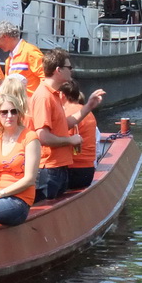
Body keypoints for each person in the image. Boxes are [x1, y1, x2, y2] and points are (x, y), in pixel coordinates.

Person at [30, 49, 104, 201]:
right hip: (49, 168)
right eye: (69, 67)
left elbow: (64, 124)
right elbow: (42, 136)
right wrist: (70, 140)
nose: (71, 71)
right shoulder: (44, 96)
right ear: (58, 70)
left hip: (58, 167)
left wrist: (88, 106)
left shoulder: (54, 94)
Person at [0, 88, 40, 226]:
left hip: (18, 200)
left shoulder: (30, 138)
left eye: (13, 111)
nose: (9, 116)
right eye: (4, 112)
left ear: (19, 114)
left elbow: (29, 180)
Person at [59, 79, 98, 190]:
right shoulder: (88, 113)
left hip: (72, 170)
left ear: (61, 95)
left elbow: (63, 143)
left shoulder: (67, 113)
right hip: (88, 170)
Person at [0, 20, 44, 97]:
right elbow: (7, 87)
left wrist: (38, 100)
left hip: (30, 104)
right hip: (18, 104)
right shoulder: (9, 59)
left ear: (5, 36)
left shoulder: (29, 51)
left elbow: (45, 78)